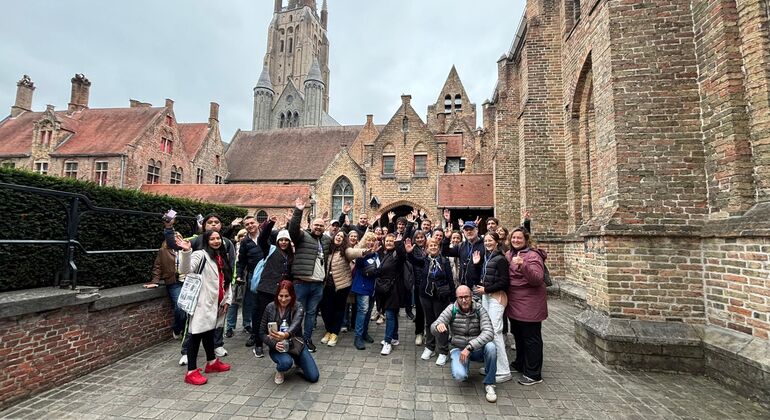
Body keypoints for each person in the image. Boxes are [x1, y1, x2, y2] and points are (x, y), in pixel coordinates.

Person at [164, 213, 236, 365]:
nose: (214, 224)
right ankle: (187, 355)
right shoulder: (196, 243)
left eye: (217, 222)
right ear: (204, 225)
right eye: (210, 222)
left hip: (218, 296)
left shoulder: (227, 244)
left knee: (213, 327)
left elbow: (229, 272)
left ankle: (215, 353)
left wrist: (228, 298)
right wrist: (169, 228)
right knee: (194, 330)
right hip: (201, 296)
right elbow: (175, 248)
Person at [176, 231, 233, 385]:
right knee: (195, 335)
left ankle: (212, 362)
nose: (216, 241)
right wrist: (187, 251)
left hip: (216, 303)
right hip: (202, 303)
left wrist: (227, 299)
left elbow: (227, 280)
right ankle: (191, 371)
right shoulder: (200, 254)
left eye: (218, 238)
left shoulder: (222, 256)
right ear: (206, 241)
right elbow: (185, 270)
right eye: (212, 239)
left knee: (209, 332)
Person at [431, 285, 498, 403]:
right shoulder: (451, 308)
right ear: (456, 298)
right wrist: (438, 326)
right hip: (458, 348)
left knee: (491, 347)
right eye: (460, 297)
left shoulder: (479, 309)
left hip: (475, 349)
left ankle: (490, 384)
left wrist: (470, 347)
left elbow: (489, 333)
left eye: (466, 297)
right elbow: (433, 327)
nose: (463, 300)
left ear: (471, 296)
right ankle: (463, 367)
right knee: (460, 376)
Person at [288, 198, 331, 352]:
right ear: (311, 225)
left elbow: (340, 241)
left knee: (311, 314)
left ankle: (306, 340)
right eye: (316, 225)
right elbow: (292, 230)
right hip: (301, 283)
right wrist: (298, 211)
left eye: (321, 225)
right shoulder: (302, 236)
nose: (318, 227)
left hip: (318, 285)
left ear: (324, 227)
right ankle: (295, 339)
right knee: (298, 313)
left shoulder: (326, 240)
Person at [506, 227, 548, 386]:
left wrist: (524, 265)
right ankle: (520, 362)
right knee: (518, 335)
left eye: (519, 238)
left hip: (529, 304)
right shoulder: (509, 254)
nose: (516, 240)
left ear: (526, 240)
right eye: (513, 238)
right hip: (515, 303)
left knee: (531, 338)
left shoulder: (532, 256)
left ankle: (533, 373)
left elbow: (537, 279)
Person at [249, 216, 294, 357]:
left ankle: (274, 342)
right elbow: (262, 239)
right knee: (261, 317)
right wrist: (270, 224)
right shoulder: (270, 249)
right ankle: (258, 344)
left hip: (280, 293)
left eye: (286, 240)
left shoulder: (290, 255)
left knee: (277, 318)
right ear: (277, 240)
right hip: (266, 289)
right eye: (281, 239)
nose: (283, 242)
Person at [259, 280, 320, 384]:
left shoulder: (298, 306)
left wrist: (285, 334)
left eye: (287, 296)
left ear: (292, 295)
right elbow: (261, 332)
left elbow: (296, 323)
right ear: (277, 295)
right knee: (286, 363)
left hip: (296, 345)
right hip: (278, 347)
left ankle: (298, 360)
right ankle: (280, 369)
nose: (283, 299)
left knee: (313, 377)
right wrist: (274, 344)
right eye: (280, 295)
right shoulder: (270, 307)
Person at [407, 237, 454, 366]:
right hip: (426, 295)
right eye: (430, 245)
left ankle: (443, 351)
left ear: (438, 247)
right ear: (427, 249)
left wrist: (453, 298)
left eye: (435, 245)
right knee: (429, 322)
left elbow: (450, 279)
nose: (433, 247)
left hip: (441, 297)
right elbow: (414, 261)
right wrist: (410, 252)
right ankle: (430, 347)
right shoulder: (424, 260)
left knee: (441, 323)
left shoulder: (444, 261)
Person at [472, 231, 512, 383]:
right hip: (487, 297)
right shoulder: (487, 258)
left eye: (490, 240)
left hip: (496, 298)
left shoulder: (500, 259)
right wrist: (476, 265)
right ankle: (492, 366)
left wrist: (486, 290)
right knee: (487, 331)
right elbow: (482, 278)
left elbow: (505, 282)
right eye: (486, 240)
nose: (487, 243)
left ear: (496, 242)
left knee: (495, 332)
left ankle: (504, 370)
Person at [320, 231, 371, 347]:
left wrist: (364, 251)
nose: (339, 237)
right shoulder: (328, 249)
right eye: (337, 235)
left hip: (342, 285)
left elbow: (354, 252)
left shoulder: (345, 251)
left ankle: (334, 333)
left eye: (342, 237)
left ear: (344, 240)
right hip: (327, 285)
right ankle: (328, 330)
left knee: (339, 310)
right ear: (334, 237)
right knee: (326, 309)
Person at [143, 233, 185, 339]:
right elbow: (157, 267)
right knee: (180, 307)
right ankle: (177, 329)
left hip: (188, 281)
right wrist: (155, 281)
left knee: (190, 308)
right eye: (173, 237)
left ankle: (187, 331)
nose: (176, 239)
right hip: (174, 282)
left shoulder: (186, 249)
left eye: (178, 237)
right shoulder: (163, 251)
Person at [374, 232, 408, 355]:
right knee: (392, 314)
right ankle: (394, 338)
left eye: (391, 241)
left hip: (394, 290)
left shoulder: (397, 255)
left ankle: (387, 342)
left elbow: (403, 255)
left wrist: (399, 243)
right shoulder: (386, 254)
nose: (389, 242)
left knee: (389, 315)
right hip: (386, 290)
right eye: (387, 240)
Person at [229, 218, 261, 339]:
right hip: (253, 275)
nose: (250, 225)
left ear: (257, 224)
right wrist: (239, 275)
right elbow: (241, 261)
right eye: (247, 224)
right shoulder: (245, 242)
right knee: (252, 303)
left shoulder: (267, 235)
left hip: (268, 275)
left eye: (252, 223)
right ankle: (253, 331)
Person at [350, 232, 379, 349]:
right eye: (369, 240)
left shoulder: (376, 254)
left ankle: (364, 332)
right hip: (362, 286)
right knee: (362, 310)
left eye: (373, 240)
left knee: (368, 310)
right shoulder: (361, 252)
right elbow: (359, 263)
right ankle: (358, 336)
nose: (371, 242)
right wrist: (368, 253)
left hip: (372, 287)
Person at [442, 214, 485, 289]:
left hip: (478, 286)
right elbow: (445, 252)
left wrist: (477, 264)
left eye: (471, 229)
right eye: (466, 230)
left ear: (477, 230)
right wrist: (447, 238)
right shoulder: (461, 246)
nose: (469, 232)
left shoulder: (484, 245)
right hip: (464, 284)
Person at [406, 230, 428, 345]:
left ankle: (427, 331)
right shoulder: (413, 249)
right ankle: (418, 332)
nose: (420, 239)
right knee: (419, 310)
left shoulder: (430, 247)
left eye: (422, 237)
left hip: (430, 284)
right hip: (419, 283)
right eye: (417, 237)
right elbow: (415, 261)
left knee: (429, 310)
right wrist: (409, 253)